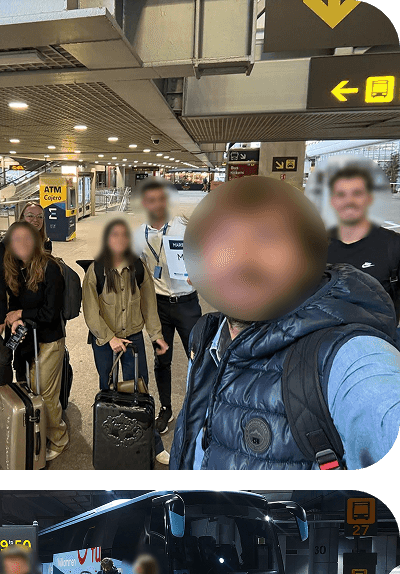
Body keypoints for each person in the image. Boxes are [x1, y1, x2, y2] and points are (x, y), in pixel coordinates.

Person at [170, 175, 400, 469]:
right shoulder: (208, 336)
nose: (243, 256)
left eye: (268, 237)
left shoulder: (350, 359)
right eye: (223, 241)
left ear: (307, 251)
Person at [84, 218, 170, 465]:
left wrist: (156, 336)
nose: (119, 240)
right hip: (105, 342)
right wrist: (109, 338)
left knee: (139, 389)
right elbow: (90, 310)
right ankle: (110, 442)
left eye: (124, 236)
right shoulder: (96, 270)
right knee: (108, 389)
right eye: (114, 236)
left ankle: (150, 443)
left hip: (132, 340)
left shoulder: (138, 268)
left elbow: (149, 306)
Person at [0, 220, 68, 461]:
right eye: (16, 240)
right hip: (29, 339)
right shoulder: (16, 269)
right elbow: (15, 304)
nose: (21, 244)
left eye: (27, 239)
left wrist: (20, 314)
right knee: (33, 389)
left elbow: (50, 313)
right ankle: (40, 432)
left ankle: (59, 438)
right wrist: (14, 319)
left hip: (50, 341)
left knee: (44, 393)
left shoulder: (50, 268)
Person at [133, 179, 201, 435]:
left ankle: (199, 408)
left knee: (198, 358)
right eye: (151, 200)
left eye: (161, 199)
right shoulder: (139, 234)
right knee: (162, 360)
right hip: (158, 307)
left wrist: (200, 274)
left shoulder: (184, 227)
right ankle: (166, 408)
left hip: (187, 305)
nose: (157, 205)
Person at [325, 164, 400, 322]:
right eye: (341, 194)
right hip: (323, 340)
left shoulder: (393, 246)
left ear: (369, 199)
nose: (349, 201)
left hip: (378, 340)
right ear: (332, 201)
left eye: (357, 193)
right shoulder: (314, 245)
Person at [0, 202, 53, 386]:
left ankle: (23, 396)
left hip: (27, 311)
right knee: (4, 355)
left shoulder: (45, 244)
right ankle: (6, 396)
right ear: (21, 218)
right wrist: (2, 318)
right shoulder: (6, 244)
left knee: (24, 355)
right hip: (7, 308)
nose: (36, 220)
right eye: (30, 215)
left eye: (40, 216)